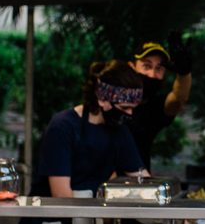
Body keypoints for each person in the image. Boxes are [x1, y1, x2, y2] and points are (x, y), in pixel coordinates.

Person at [32, 60, 147, 198]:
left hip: (91, 215)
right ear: (102, 99)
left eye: (132, 108)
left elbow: (143, 181)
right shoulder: (63, 127)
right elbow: (61, 197)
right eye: (124, 108)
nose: (129, 114)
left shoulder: (119, 131)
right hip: (51, 217)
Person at [127, 36, 193, 173]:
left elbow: (178, 99)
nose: (152, 75)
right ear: (131, 67)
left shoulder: (154, 107)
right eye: (146, 66)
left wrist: (184, 73)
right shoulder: (110, 100)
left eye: (159, 69)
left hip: (138, 184)